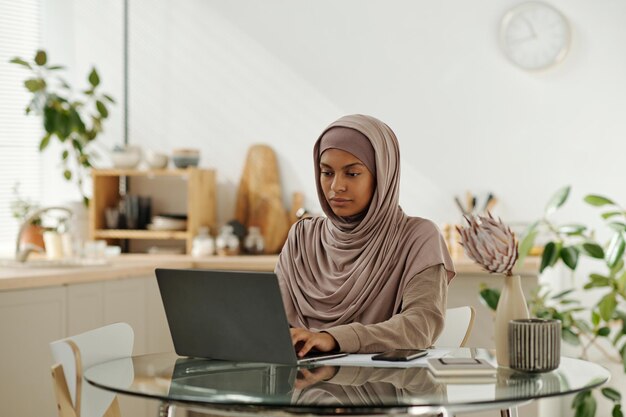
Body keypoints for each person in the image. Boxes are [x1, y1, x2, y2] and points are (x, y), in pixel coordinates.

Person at [275, 114, 456, 358]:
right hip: (300, 388)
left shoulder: (418, 238)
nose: (336, 186)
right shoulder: (302, 236)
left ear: (382, 176)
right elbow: (272, 323)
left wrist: (333, 339)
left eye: (352, 174)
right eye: (327, 173)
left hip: (384, 388)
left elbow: (419, 327)